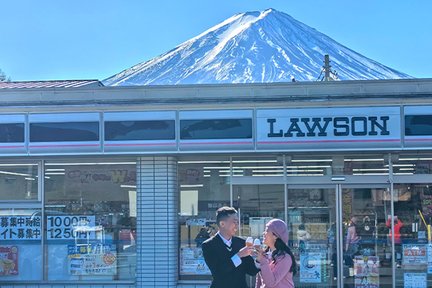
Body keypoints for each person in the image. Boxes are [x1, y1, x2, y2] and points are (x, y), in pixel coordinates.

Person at [202, 206, 259, 288]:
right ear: (222, 224)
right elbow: (218, 272)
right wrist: (239, 255)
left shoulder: (241, 242)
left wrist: (259, 259)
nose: (237, 225)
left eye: (238, 222)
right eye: (234, 222)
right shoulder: (209, 245)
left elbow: (252, 271)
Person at [256, 219, 297, 288]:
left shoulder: (285, 258)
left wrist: (262, 260)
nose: (263, 233)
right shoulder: (265, 254)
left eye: (266, 230)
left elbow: (271, 283)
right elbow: (260, 281)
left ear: (275, 236)